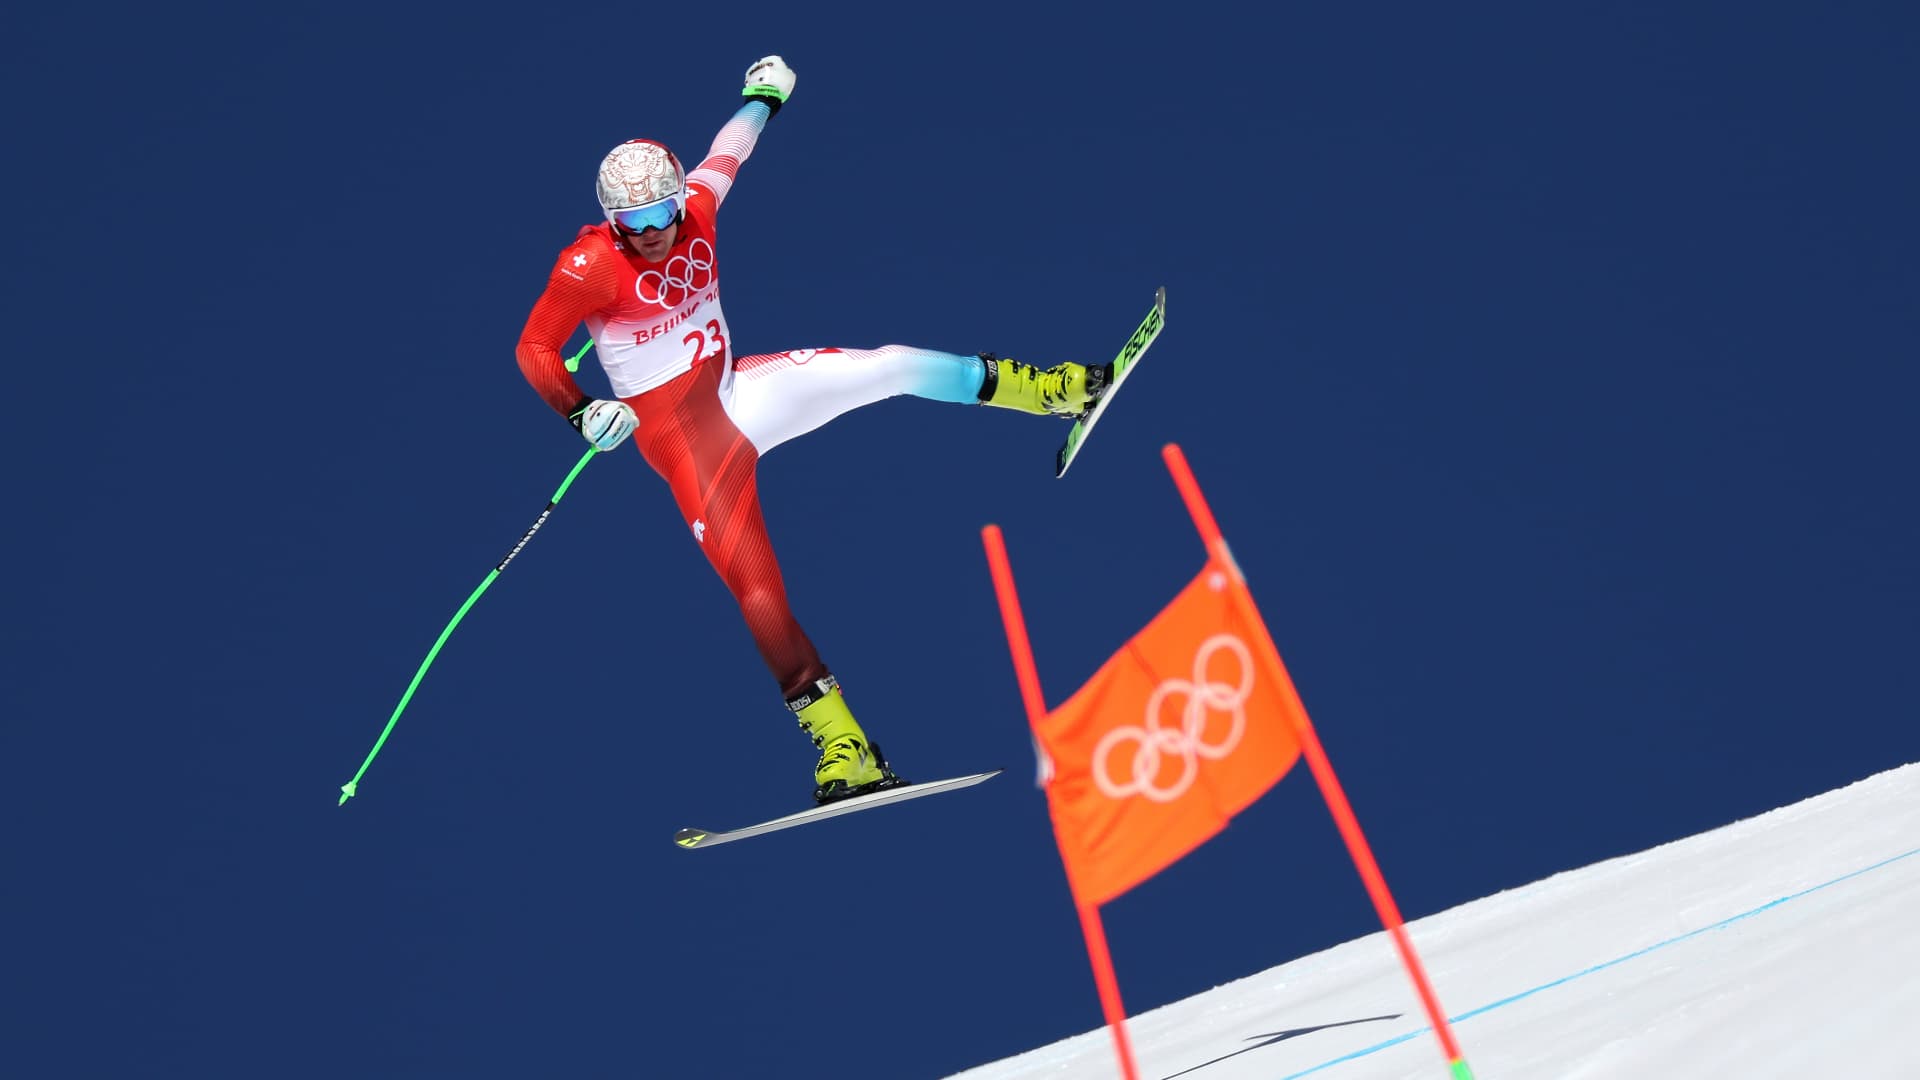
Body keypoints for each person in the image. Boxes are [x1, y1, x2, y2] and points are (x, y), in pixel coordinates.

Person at [515, 56, 1106, 804]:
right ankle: (843, 747)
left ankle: (1052, 393)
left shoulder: (696, 209)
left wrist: (763, 97)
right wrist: (580, 411)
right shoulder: (589, 265)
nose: (655, 232)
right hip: (691, 446)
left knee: (892, 365)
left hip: (742, 391)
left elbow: (729, 152)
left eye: (662, 212)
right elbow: (534, 348)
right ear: (611, 219)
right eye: (634, 222)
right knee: (758, 589)